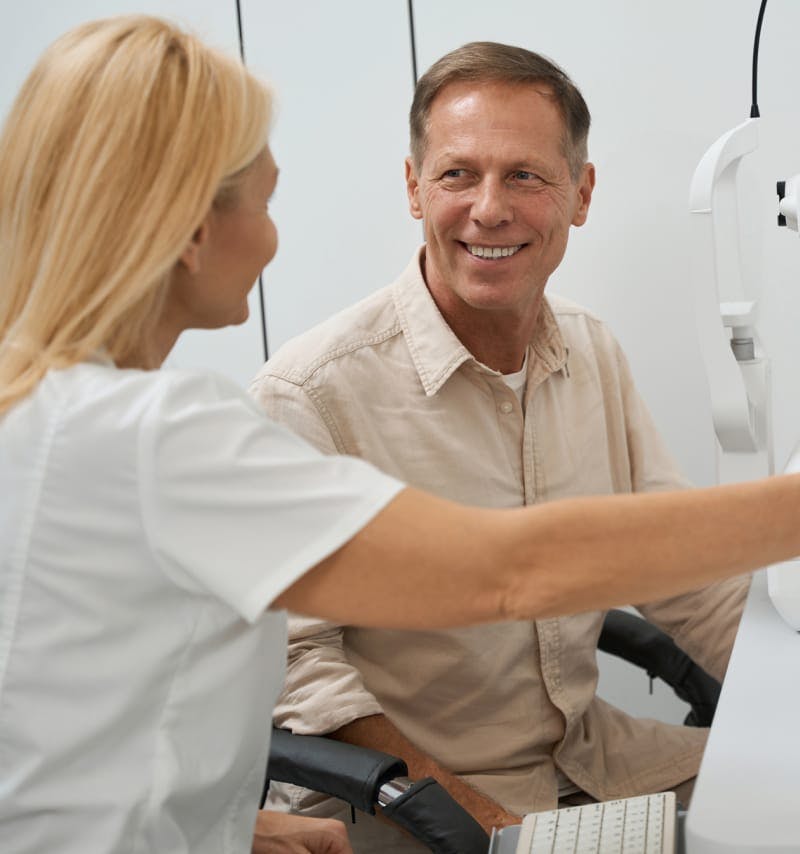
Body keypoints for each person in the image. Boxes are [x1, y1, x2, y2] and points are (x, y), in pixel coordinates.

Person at [1, 18, 799, 854]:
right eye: (267, 203)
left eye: (525, 174)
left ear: (579, 191)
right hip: (419, 808)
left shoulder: (53, 415)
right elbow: (511, 570)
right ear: (191, 229)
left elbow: (85, 728)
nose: (275, 239)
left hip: (569, 762)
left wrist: (235, 827)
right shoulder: (173, 435)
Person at [250, 42, 749, 851]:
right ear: (413, 188)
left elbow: (682, 573)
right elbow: (301, 676)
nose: (489, 209)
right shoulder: (309, 393)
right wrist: (482, 827)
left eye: (525, 175)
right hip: (402, 801)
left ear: (580, 194)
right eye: (457, 174)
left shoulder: (592, 353)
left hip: (594, 757)